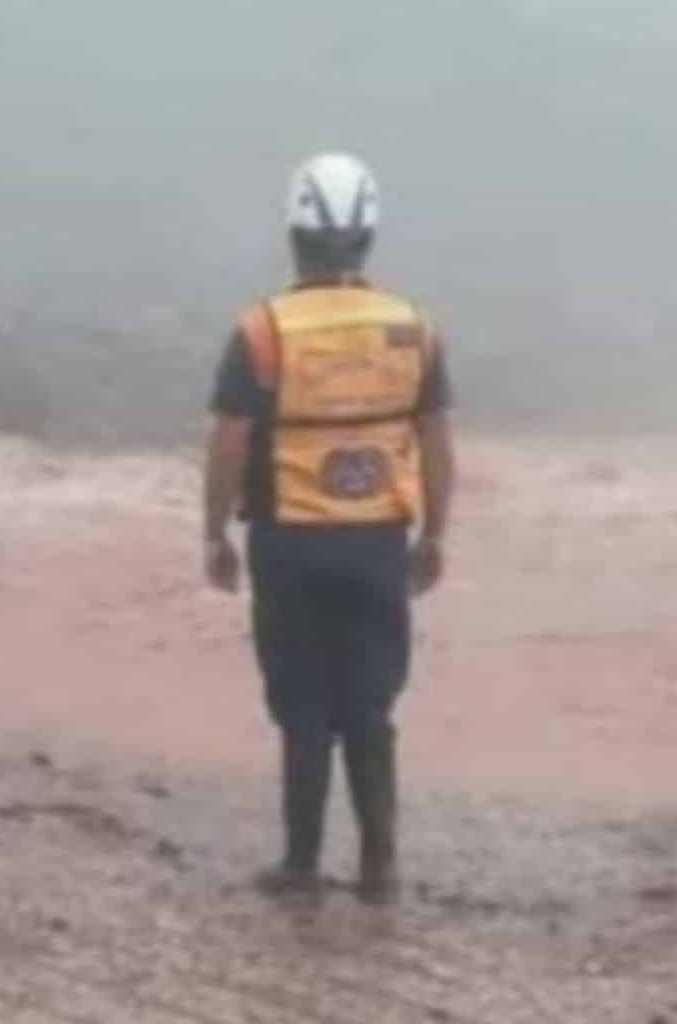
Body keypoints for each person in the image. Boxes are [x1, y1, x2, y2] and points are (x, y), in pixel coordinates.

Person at [202, 151, 455, 907]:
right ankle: (380, 868)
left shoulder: (262, 332)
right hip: (378, 543)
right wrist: (435, 536)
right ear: (370, 235)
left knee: (303, 704)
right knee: (371, 704)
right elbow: (438, 442)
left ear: (295, 235)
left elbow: (229, 442)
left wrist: (213, 534)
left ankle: (302, 867)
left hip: (290, 543)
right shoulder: (413, 328)